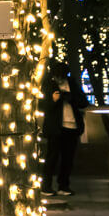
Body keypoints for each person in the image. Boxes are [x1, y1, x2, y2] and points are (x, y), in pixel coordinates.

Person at [41, 61, 88, 196]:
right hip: (55, 128)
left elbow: (84, 102)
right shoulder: (49, 85)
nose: (59, 79)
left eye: (61, 76)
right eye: (56, 76)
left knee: (68, 158)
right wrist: (54, 100)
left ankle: (64, 186)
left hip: (72, 127)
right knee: (52, 157)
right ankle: (47, 186)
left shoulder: (72, 83)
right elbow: (42, 106)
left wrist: (70, 98)